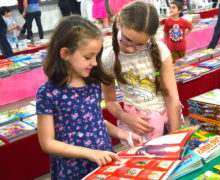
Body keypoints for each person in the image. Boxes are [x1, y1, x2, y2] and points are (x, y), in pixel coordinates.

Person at [36, 15, 142, 179]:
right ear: (65, 53)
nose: (94, 63)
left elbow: (94, 121)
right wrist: (90, 153)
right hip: (74, 169)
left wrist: (124, 134)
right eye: (88, 57)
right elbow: (47, 143)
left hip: (102, 161)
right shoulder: (48, 93)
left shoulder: (92, 84)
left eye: (96, 56)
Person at [101, 1, 183, 144]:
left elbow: (172, 99)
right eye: (127, 40)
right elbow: (110, 100)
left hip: (169, 121)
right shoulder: (108, 58)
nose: (131, 49)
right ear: (119, 22)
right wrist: (126, 118)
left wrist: (174, 138)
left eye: (140, 45)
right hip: (137, 128)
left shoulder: (160, 50)